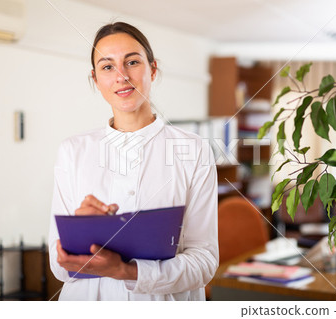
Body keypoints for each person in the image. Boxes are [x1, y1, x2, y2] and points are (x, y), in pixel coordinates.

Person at [48, 22, 218, 301]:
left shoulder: (194, 149)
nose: (121, 76)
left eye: (132, 62)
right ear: (95, 79)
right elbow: (59, 268)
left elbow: (205, 262)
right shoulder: (73, 150)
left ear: (152, 69)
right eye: (107, 67)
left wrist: (127, 271)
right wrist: (77, 234)